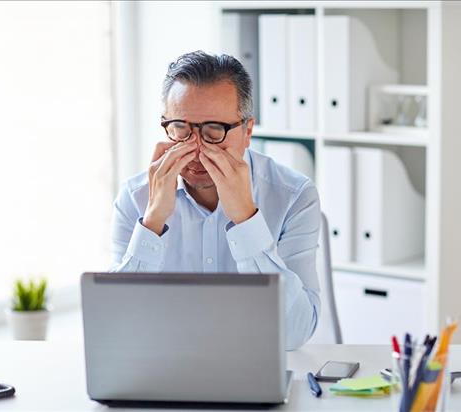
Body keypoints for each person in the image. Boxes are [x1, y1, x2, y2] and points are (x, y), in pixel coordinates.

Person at [110, 51, 321, 350]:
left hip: (255, 367)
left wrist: (247, 220)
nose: (196, 149)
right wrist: (153, 222)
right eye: (181, 130)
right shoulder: (134, 198)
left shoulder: (294, 196)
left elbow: (294, 335)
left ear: (247, 131)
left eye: (214, 132)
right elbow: (116, 327)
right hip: (166, 371)